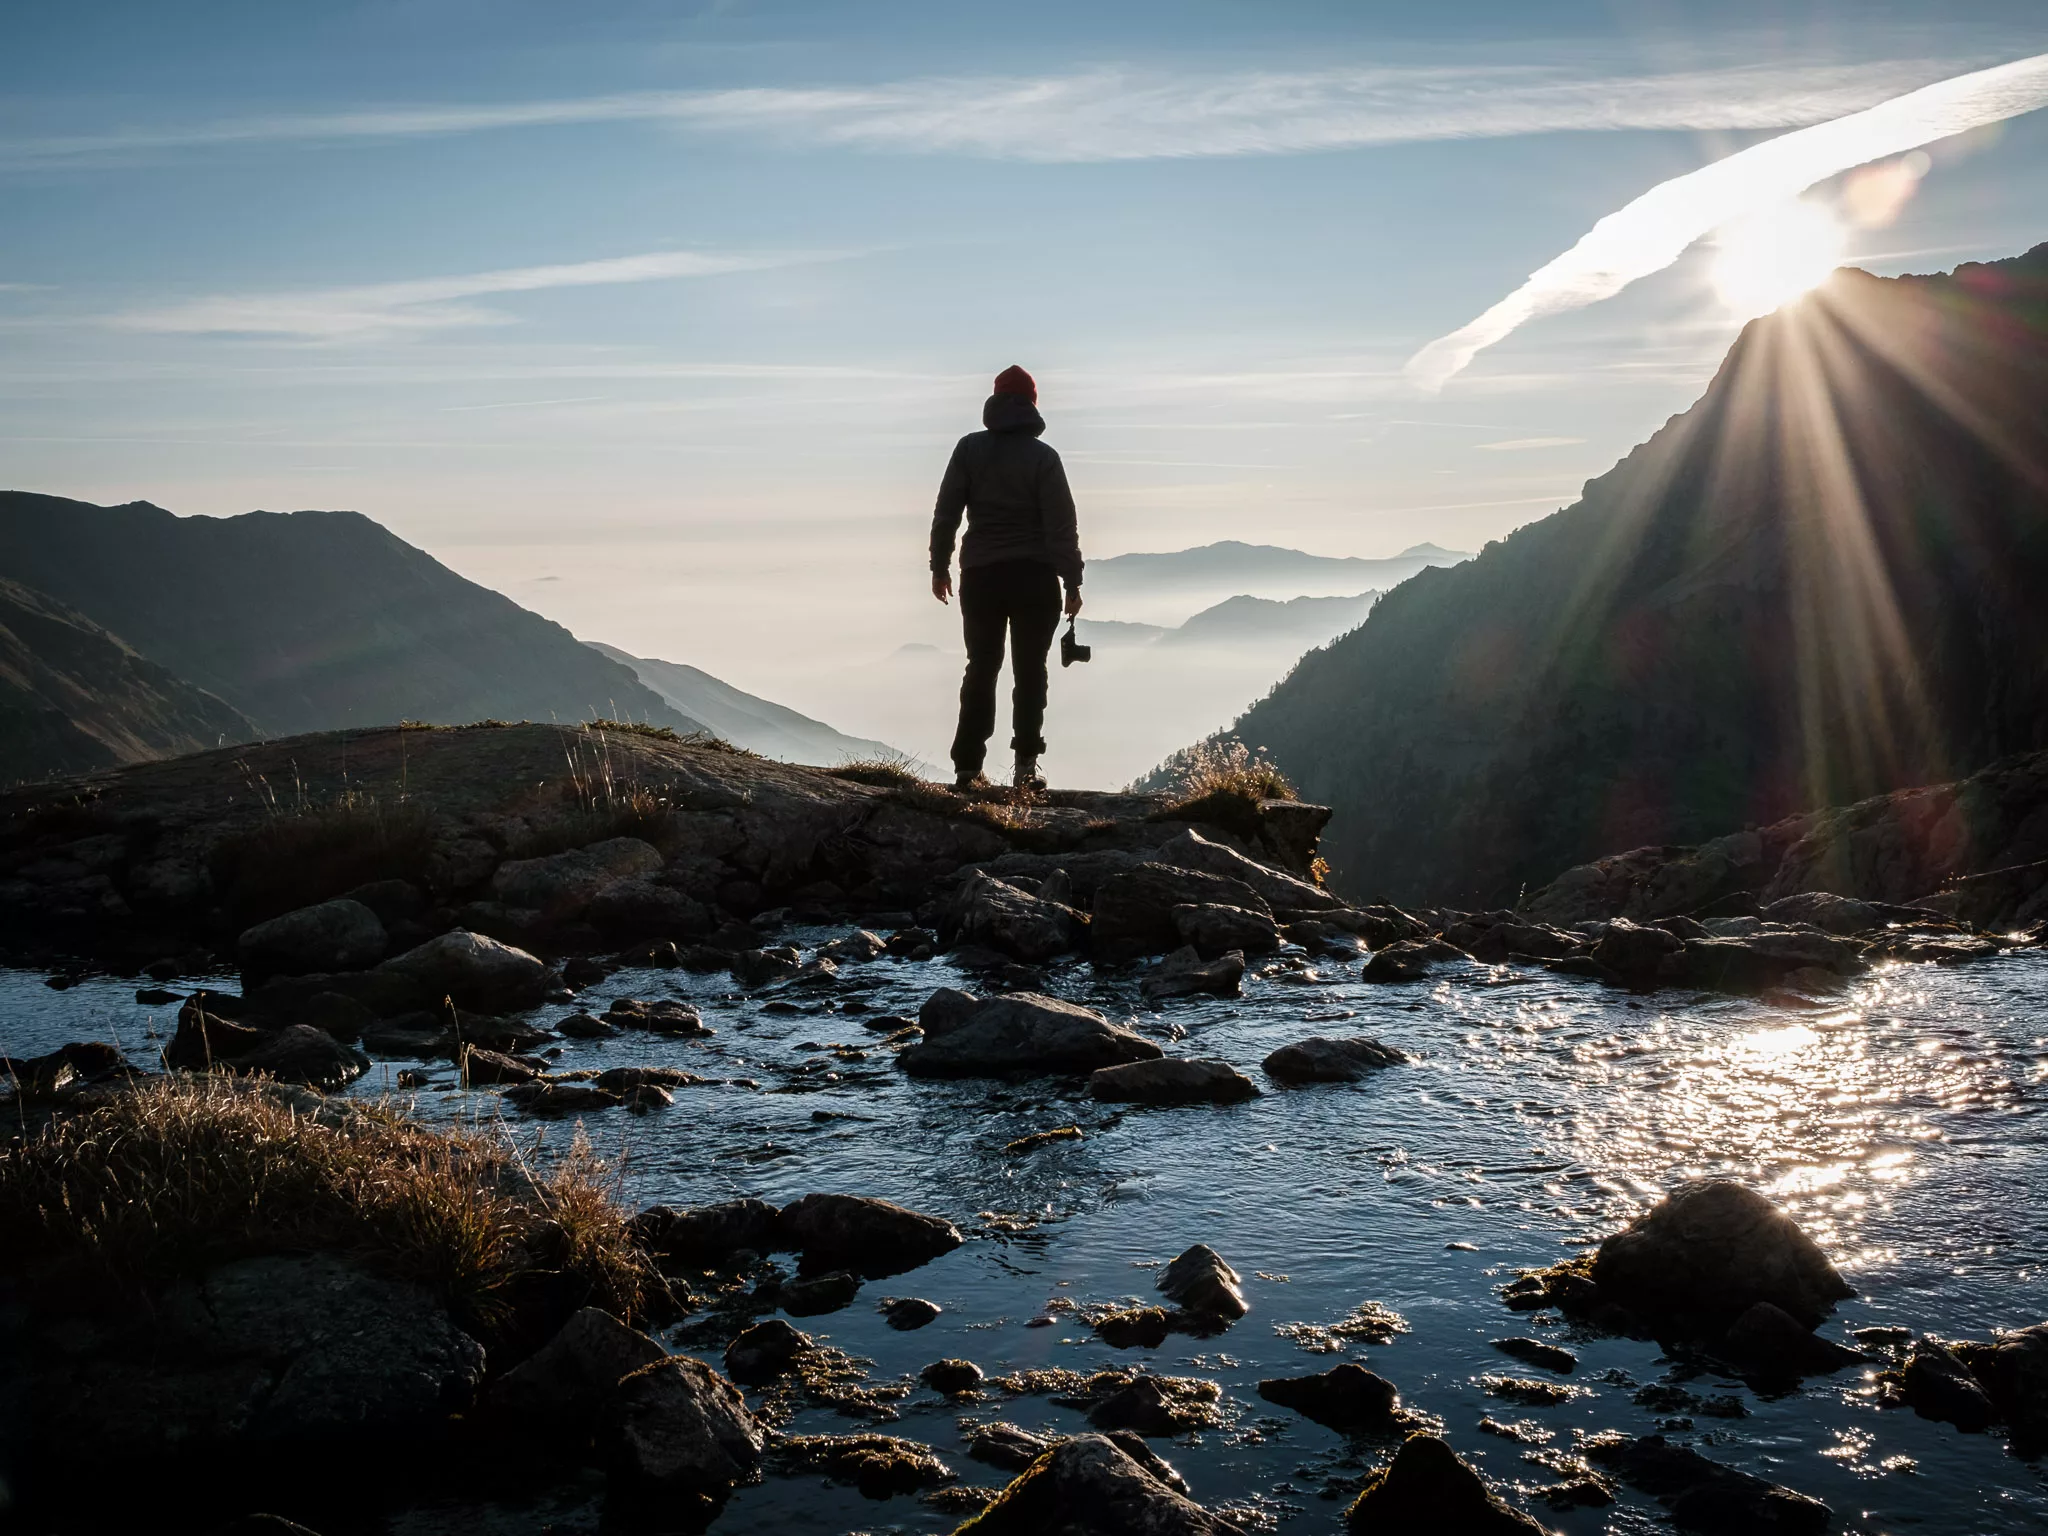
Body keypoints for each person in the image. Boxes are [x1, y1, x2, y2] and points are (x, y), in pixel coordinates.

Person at [929, 364, 1084, 792]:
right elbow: (1061, 526)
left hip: (982, 575)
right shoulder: (1044, 458)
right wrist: (1072, 582)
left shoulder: (969, 449)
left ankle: (967, 767)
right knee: (1030, 670)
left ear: (995, 400)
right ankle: (1026, 767)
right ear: (1032, 403)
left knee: (981, 666)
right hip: (1035, 577)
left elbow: (947, 513)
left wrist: (940, 566)